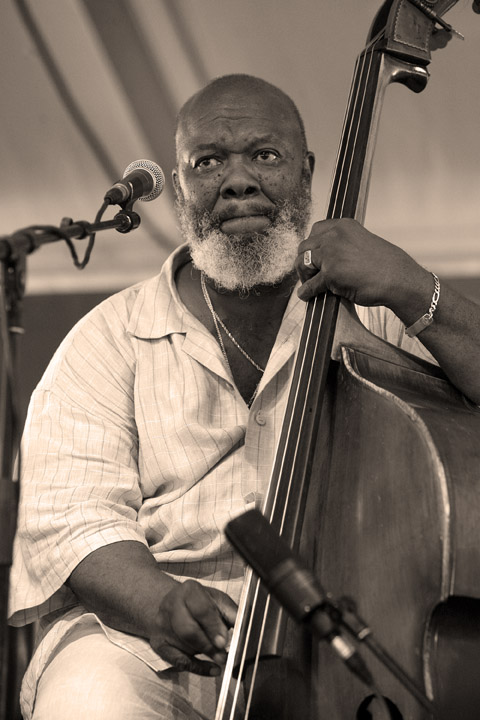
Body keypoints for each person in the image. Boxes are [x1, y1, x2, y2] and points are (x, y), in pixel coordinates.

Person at [8, 73, 480, 720]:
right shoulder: (106, 340)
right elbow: (72, 521)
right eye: (208, 162)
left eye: (265, 155)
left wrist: (409, 284)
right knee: (89, 699)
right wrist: (159, 603)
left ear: (307, 170)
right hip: (150, 651)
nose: (237, 181)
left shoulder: (379, 314)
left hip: (348, 650)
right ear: (179, 189)